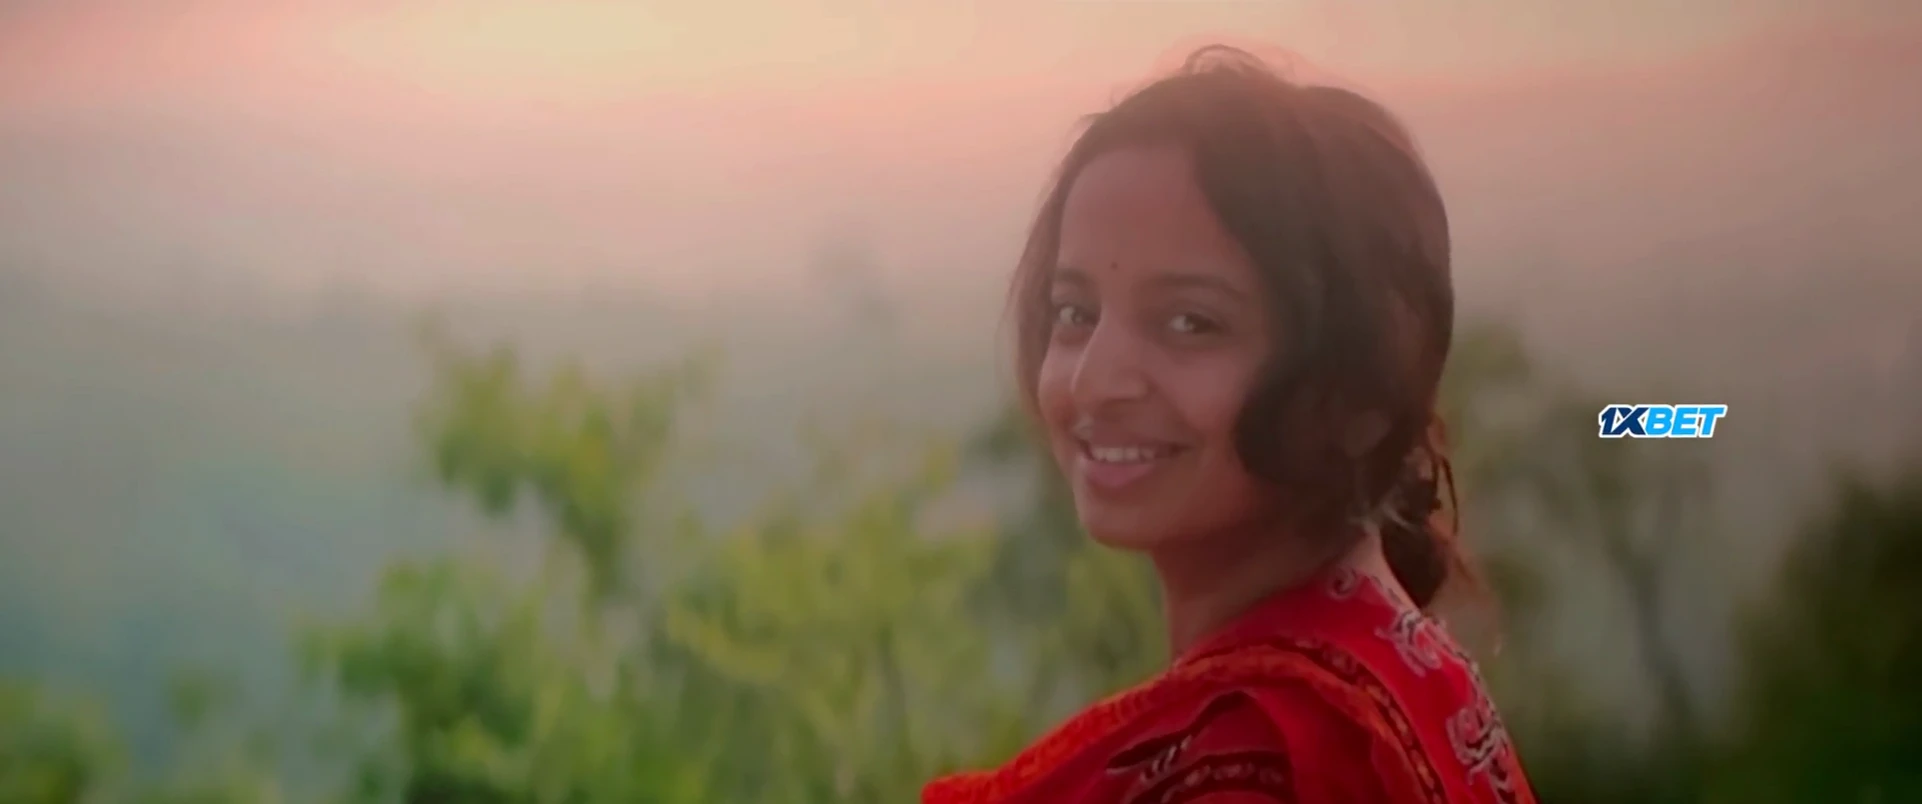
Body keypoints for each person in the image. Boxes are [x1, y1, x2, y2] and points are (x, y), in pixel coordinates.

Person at [922, 46, 1539, 804]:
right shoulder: (1405, 675)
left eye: (1190, 322)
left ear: (1358, 396)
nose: (1094, 381)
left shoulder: (1265, 759)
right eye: (1074, 312)